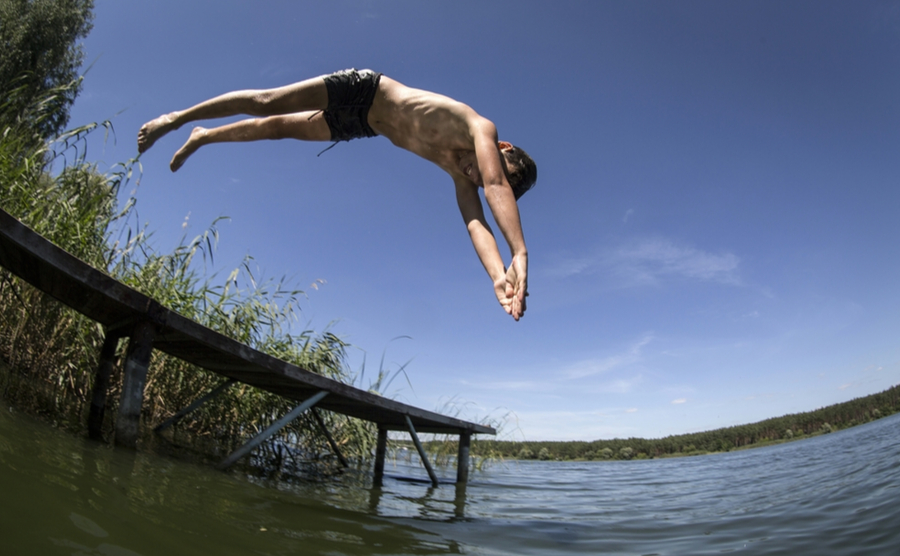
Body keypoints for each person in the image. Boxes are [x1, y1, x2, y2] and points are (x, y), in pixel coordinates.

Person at [138, 69, 536, 321]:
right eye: (486, 171)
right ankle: (178, 119)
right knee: (268, 103)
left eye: (480, 181)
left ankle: (203, 137)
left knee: (278, 128)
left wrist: (498, 276)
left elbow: (475, 222)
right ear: (502, 150)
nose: (476, 176)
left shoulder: (461, 177)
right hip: (368, 91)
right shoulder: (480, 128)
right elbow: (498, 185)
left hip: (364, 124)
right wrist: (518, 251)